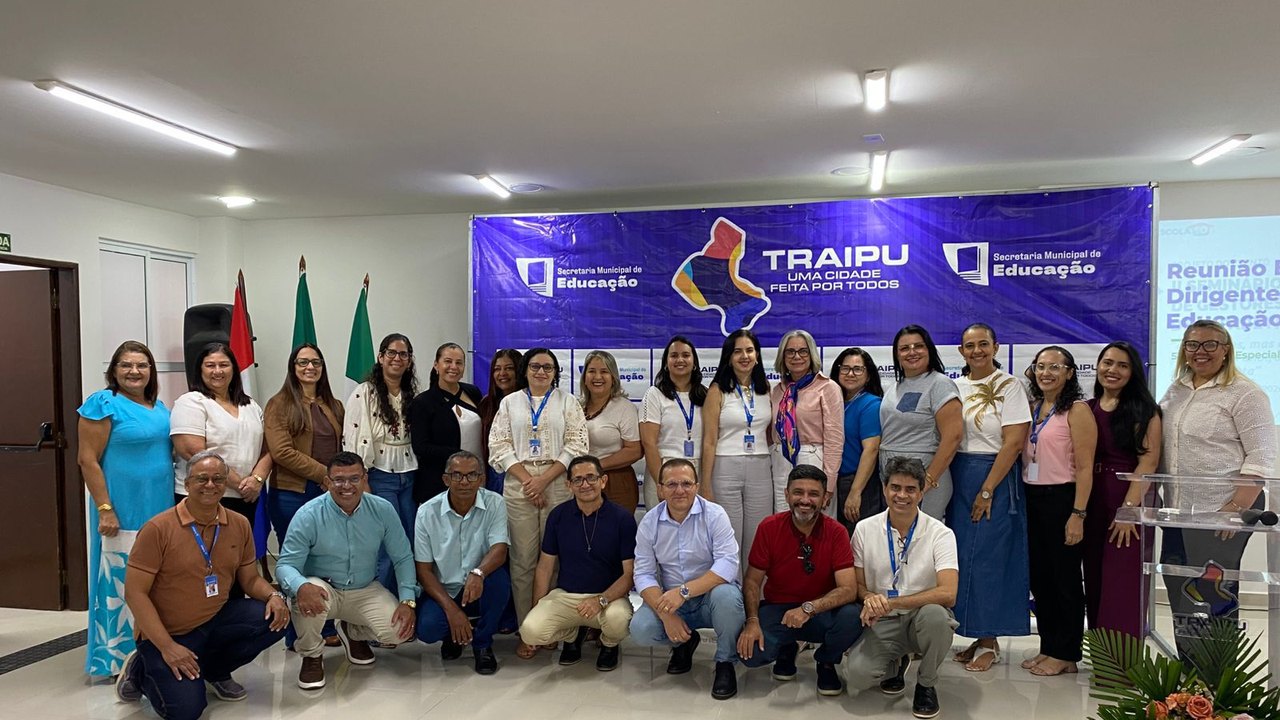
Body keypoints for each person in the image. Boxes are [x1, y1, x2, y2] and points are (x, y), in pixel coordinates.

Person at [118, 451, 289, 718]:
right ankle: (141, 671)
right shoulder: (158, 529)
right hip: (168, 633)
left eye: (218, 479)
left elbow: (250, 579)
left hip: (214, 619)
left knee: (275, 619)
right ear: (187, 484)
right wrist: (167, 647)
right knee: (187, 711)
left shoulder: (239, 524)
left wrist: (274, 596)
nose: (211, 485)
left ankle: (213, 671)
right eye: (202, 479)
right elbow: (135, 593)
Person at [1158, 320, 1275, 655]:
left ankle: (1218, 672)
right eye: (1192, 344)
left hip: (1223, 511)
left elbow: (1262, 454)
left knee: (1214, 593)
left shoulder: (1245, 393)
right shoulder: (1176, 390)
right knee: (1180, 587)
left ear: (1226, 350)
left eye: (1210, 344)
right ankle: (1189, 667)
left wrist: (1235, 509)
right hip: (1178, 511)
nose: (1201, 351)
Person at [276, 452, 418, 690]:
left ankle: (352, 631)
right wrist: (301, 586)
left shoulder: (382, 509)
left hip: (364, 588)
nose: (347, 486)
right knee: (308, 595)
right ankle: (312, 655)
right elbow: (285, 565)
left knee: (399, 632)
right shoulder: (308, 514)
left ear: (365, 479)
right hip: (324, 589)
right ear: (327, 481)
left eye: (354, 479)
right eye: (339, 480)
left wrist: (408, 600)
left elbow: (402, 557)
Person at [78, 340, 174, 679]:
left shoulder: (158, 406)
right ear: (114, 371)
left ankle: (151, 650)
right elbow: (87, 460)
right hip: (122, 509)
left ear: (151, 371)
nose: (135, 371)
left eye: (142, 365)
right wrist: (105, 508)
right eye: (126, 365)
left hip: (159, 506)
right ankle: (116, 660)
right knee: (120, 582)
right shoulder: (103, 404)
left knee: (155, 580)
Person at [488, 348, 589, 658]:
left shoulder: (568, 402)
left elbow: (577, 444)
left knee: (555, 559)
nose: (541, 372)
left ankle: (551, 628)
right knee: (522, 562)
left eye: (548, 367)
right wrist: (529, 481)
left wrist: (543, 479)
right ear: (525, 370)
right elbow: (498, 446)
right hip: (518, 483)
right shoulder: (509, 402)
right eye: (535, 366)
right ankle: (528, 630)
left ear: (555, 372)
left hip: (557, 483)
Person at [846, 456, 960, 720]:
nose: (902, 495)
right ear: (884, 488)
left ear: (921, 493)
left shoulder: (941, 533)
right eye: (895, 487)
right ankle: (897, 661)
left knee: (937, 617)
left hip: (921, 616)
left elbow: (948, 594)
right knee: (857, 676)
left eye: (910, 489)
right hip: (882, 619)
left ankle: (926, 684)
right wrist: (870, 597)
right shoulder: (864, 529)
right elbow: (858, 584)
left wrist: (893, 602)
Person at [946, 324, 1031, 672]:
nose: (977, 351)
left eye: (983, 344)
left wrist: (987, 489)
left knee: (990, 559)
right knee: (963, 558)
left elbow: (1014, 442)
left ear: (996, 347)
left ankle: (989, 639)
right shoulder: (954, 386)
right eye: (970, 345)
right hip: (959, 474)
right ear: (961, 351)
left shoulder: (1009, 386)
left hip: (993, 475)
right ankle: (974, 632)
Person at [736, 464, 861, 697]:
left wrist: (809, 608)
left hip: (821, 611)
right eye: (798, 492)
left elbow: (848, 589)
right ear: (786, 495)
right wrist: (752, 621)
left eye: (813, 494)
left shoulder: (837, 532)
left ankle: (826, 660)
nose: (805, 500)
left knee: (853, 616)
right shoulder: (769, 527)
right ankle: (786, 647)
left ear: (825, 498)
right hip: (778, 610)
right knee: (750, 654)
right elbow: (752, 581)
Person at [629, 458, 744, 700]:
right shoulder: (650, 522)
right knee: (640, 628)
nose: (679, 490)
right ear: (660, 489)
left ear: (697, 486)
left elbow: (727, 565)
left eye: (686, 483)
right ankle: (683, 643)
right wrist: (665, 614)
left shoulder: (715, 515)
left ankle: (725, 661)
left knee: (728, 597)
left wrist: (684, 592)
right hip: (672, 603)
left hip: (708, 598)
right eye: (671, 484)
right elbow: (643, 574)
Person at [518, 455, 637, 671]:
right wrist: (537, 607)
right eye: (578, 480)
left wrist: (601, 600)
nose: (585, 484)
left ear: (603, 481)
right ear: (569, 485)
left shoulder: (622, 518)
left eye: (591, 477)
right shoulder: (558, 515)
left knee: (618, 621)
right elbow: (545, 567)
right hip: (566, 595)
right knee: (530, 631)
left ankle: (609, 644)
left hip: (608, 597)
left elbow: (629, 574)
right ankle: (572, 635)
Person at [263, 343, 345, 648]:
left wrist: (337, 479)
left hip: (328, 492)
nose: (310, 367)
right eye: (303, 362)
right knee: (295, 562)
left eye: (316, 362)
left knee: (324, 560)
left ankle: (323, 624)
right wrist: (325, 474)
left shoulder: (333, 405)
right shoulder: (279, 404)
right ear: (293, 367)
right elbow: (281, 452)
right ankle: (294, 632)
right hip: (292, 493)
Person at [1021, 346, 1096, 676]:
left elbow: (1086, 467)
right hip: (1032, 498)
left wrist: (1078, 514)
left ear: (1070, 372)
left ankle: (1067, 653)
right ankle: (1049, 646)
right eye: (1041, 366)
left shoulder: (1077, 410)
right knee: (1041, 579)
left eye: (1055, 367)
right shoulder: (1035, 407)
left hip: (1063, 500)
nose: (1046, 373)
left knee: (1065, 579)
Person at [1084, 341, 1161, 639]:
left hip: (1126, 501)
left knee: (1122, 583)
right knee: (1095, 579)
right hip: (1092, 501)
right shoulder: (1087, 408)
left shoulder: (1145, 411)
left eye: (1122, 365)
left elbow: (1148, 462)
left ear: (1133, 372)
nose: (1112, 370)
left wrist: (1128, 511)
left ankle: (1122, 660)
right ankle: (1101, 654)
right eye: (1107, 362)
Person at [414, 450, 511, 675]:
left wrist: (478, 573)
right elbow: (423, 570)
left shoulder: (495, 503)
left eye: (472, 475)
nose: (464, 482)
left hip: (480, 585)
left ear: (481, 479)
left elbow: (500, 550)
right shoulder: (427, 512)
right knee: (428, 630)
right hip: (445, 590)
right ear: (446, 479)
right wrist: (452, 610)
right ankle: (454, 635)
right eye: (457, 475)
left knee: (500, 582)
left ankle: (482, 643)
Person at [345, 333, 420, 592]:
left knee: (409, 538)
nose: (397, 358)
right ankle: (379, 602)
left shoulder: (411, 394)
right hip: (379, 475)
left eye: (403, 354)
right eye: (392, 353)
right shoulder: (364, 393)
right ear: (380, 356)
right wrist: (361, 480)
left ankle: (406, 597)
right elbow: (353, 440)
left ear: (409, 360)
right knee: (386, 542)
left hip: (410, 474)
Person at [170, 342, 272, 527]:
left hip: (246, 497)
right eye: (210, 365)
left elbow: (267, 450)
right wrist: (240, 484)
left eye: (224, 365)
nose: (217, 371)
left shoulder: (251, 405)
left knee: (237, 545)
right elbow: (193, 452)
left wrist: (256, 480)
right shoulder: (191, 402)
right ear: (200, 370)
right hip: (203, 495)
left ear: (234, 369)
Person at [701, 329, 774, 569]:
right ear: (729, 357)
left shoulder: (766, 388)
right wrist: (705, 484)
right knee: (729, 538)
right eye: (738, 351)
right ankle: (730, 590)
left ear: (757, 355)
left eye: (750, 350)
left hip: (760, 467)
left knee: (758, 537)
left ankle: (754, 590)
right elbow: (709, 441)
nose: (745, 356)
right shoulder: (717, 390)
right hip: (725, 468)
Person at [880, 325, 962, 520]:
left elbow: (953, 437)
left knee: (922, 534)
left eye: (918, 346)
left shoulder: (940, 384)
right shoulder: (894, 386)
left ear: (929, 350)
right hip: (893, 476)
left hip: (924, 478)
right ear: (897, 355)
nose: (912, 352)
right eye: (904, 348)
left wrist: (928, 480)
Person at [770, 330, 844, 515]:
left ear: (811, 354)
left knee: (815, 519)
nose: (797, 357)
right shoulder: (778, 390)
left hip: (812, 459)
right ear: (783, 356)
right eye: (790, 351)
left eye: (803, 351)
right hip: (781, 461)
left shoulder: (828, 388)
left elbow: (835, 440)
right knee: (782, 519)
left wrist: (829, 483)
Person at [409, 342, 483, 503]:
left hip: (475, 476)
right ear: (436, 365)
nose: (453, 367)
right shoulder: (422, 402)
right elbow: (420, 447)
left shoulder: (473, 392)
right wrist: (460, 456)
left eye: (459, 362)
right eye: (448, 361)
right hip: (438, 481)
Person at [639, 336, 707, 512]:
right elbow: (649, 443)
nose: (680, 360)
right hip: (664, 470)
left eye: (685, 355)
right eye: (674, 355)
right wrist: (661, 483)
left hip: (698, 471)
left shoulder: (705, 395)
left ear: (694, 362)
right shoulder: (654, 395)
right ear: (666, 362)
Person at [580, 350, 643, 513]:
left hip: (616, 482)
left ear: (613, 377)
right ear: (584, 377)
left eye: (604, 371)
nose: (597, 377)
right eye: (592, 371)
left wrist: (595, 466)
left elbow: (635, 450)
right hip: (582, 481)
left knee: (616, 528)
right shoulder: (576, 406)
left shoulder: (624, 408)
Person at [831, 347, 884, 533]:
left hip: (858, 482)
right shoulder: (836, 401)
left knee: (859, 539)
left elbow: (871, 449)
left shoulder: (870, 404)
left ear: (868, 375)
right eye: (845, 368)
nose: (850, 374)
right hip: (836, 481)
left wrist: (855, 492)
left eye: (857, 369)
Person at [478, 348, 522, 494]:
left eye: (509, 368)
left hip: (522, 473)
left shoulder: (529, 403)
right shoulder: (486, 404)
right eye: (497, 369)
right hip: (494, 472)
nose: (502, 373)